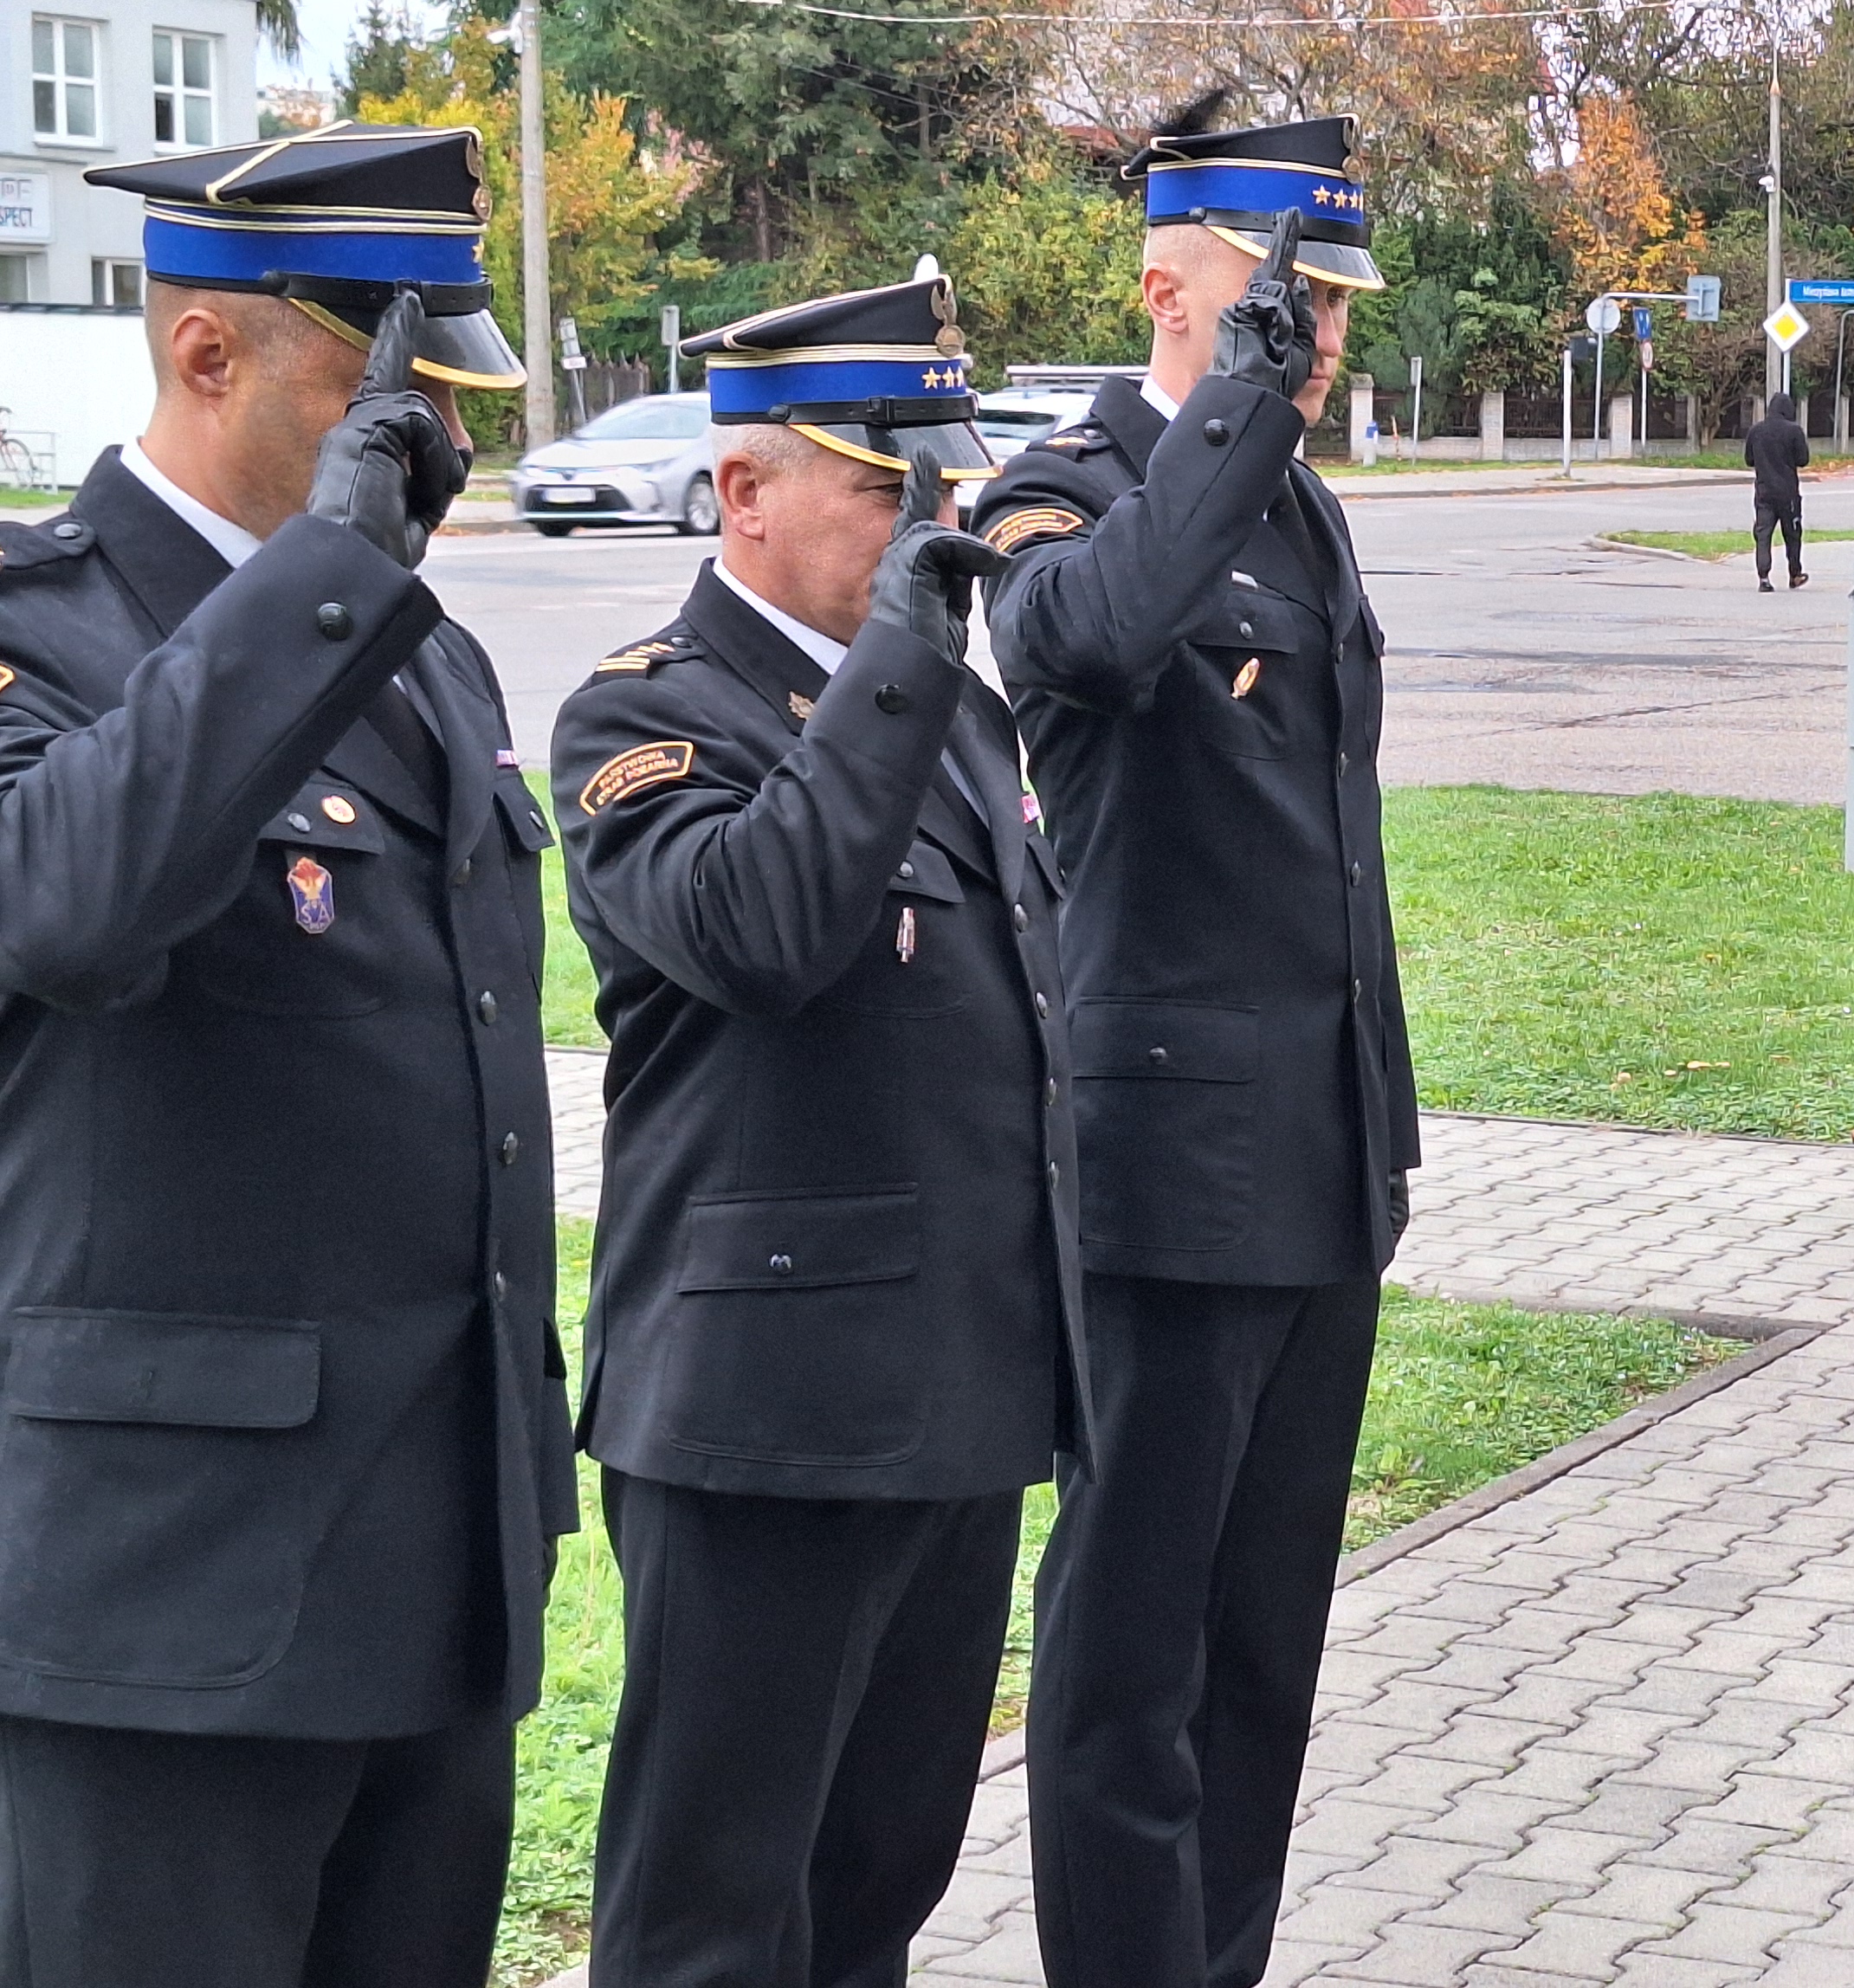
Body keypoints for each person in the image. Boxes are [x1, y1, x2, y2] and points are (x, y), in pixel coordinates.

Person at [0, 124, 571, 1987]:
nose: (427, 436)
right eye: (371, 381)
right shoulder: (40, 630)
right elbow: (73, 909)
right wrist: (330, 560)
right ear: (207, 351)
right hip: (166, 1607)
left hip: (430, 1572)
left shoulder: (420, 654)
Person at [547, 274, 1082, 1988]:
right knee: (714, 1912)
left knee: (877, 1886)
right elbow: (765, 929)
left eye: (937, 480)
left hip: (950, 1392)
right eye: (883, 483)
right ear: (746, 492)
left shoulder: (948, 709)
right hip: (760, 1420)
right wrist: (906, 668)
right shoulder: (643, 713)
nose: (926, 520)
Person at [966, 106, 1418, 1988]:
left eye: (1324, 302)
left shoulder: (1298, 501)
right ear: (1173, 284)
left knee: (1263, 1659)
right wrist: (1238, 400)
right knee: (1130, 1661)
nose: (1316, 333)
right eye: (1282, 294)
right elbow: (1089, 639)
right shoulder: (1058, 489)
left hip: (1317, 1163)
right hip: (1164, 1179)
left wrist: (1376, 1137)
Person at [1747, 390, 1811, 591]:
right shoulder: (1794, 431)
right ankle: (1794, 573)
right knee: (1792, 534)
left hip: (1764, 492)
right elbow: (1803, 460)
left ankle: (1764, 578)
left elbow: (1749, 460)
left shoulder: (1756, 431)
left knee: (1763, 534)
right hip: (1788, 492)